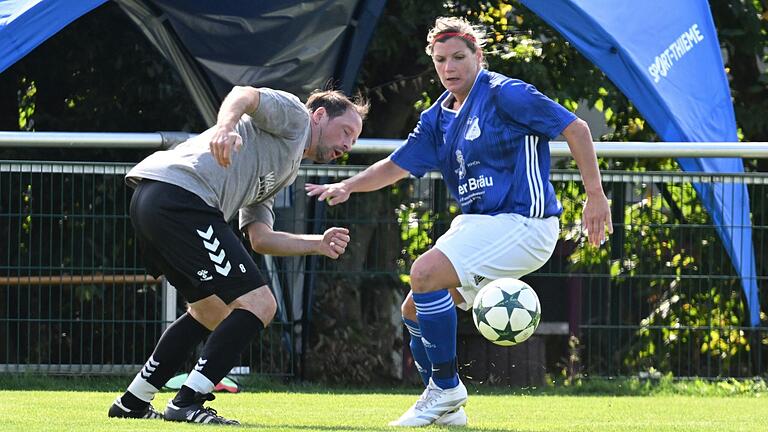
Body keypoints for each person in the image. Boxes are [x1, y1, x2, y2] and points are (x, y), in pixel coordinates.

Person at [305, 16, 612, 427]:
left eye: (458, 57)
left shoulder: (506, 94)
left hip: (526, 221)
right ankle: (448, 407)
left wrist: (595, 195)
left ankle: (446, 388)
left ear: (478, 56)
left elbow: (576, 128)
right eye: (440, 60)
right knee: (414, 309)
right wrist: (349, 186)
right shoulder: (436, 119)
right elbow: (396, 165)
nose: (449, 67)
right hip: (481, 224)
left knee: (424, 272)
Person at [108, 85, 368, 425]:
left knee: (210, 311)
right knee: (261, 305)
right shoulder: (295, 118)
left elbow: (260, 238)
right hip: (181, 199)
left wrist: (316, 243)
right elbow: (244, 94)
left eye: (355, 139)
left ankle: (132, 402)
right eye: (347, 132)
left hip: (155, 199)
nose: (348, 145)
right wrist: (225, 127)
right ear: (319, 116)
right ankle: (188, 402)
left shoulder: (286, 168)